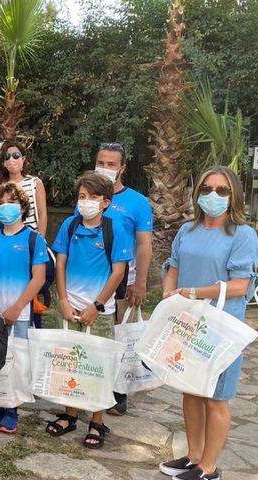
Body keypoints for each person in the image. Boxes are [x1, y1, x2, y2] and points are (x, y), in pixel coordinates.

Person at [158, 166, 258, 480]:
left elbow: (241, 285)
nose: (213, 196)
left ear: (234, 196)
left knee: (215, 398)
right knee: (191, 392)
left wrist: (194, 292)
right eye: (207, 189)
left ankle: (209, 467)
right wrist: (167, 292)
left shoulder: (242, 235)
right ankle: (193, 456)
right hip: (188, 325)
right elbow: (173, 266)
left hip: (221, 329)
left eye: (222, 190)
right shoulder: (187, 230)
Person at [45, 172, 131, 449]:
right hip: (69, 308)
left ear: (105, 202)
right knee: (70, 363)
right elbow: (60, 263)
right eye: (82, 196)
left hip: (99, 311)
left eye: (93, 197)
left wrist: (96, 305)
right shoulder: (69, 226)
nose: (87, 202)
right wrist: (62, 300)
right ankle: (69, 415)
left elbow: (118, 271)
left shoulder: (114, 229)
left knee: (98, 366)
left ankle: (96, 421)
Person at [0, 182, 48, 433]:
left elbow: (38, 278)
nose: (6, 207)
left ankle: (12, 409)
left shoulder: (33, 239)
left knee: (17, 359)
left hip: (20, 314)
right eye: (1, 203)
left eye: (11, 202)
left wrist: (17, 308)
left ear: (22, 207)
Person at [93, 142, 154, 416]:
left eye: (111, 164)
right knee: (93, 336)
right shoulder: (88, 196)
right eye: (101, 163)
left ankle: (117, 392)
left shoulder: (137, 203)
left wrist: (140, 282)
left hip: (122, 280)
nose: (105, 168)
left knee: (119, 335)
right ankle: (90, 386)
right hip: (90, 279)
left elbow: (144, 244)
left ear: (122, 168)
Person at [0, 141, 48, 236]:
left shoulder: (35, 183)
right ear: (4, 163)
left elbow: (42, 214)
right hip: (5, 236)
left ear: (23, 159)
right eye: (7, 156)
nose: (11, 159)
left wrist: (40, 239)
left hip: (31, 237)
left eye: (16, 155)